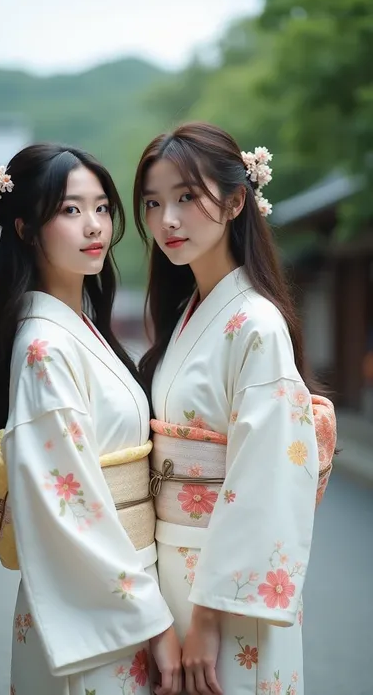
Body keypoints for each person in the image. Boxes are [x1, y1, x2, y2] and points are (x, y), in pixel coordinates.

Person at [0, 144, 182, 695]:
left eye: (103, 208)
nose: (94, 226)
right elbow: (69, 505)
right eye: (69, 210)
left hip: (122, 585)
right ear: (26, 229)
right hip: (103, 601)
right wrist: (151, 619)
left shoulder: (79, 329)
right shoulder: (44, 346)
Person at [132, 122, 337, 695]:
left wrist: (209, 617)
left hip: (223, 590)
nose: (166, 220)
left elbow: (267, 473)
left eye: (186, 197)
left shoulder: (256, 323)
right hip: (175, 566)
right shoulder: (190, 315)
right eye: (153, 203)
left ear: (236, 200)